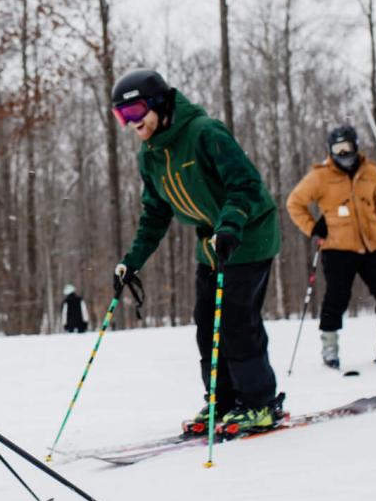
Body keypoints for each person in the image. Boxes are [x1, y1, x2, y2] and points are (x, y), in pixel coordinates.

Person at [109, 68, 284, 434]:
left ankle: (259, 403)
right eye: (122, 116)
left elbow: (247, 185)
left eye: (136, 112)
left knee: (237, 320)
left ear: (157, 102)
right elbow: (155, 215)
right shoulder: (150, 156)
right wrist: (132, 261)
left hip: (248, 235)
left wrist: (232, 223)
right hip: (210, 242)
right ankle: (222, 401)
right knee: (207, 324)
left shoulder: (205, 132)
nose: (131, 123)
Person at [285, 124, 376, 369]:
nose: (343, 153)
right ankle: (330, 348)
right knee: (337, 298)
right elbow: (294, 203)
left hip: (372, 244)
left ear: (356, 146)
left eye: (346, 147)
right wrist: (313, 228)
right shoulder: (320, 175)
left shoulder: (370, 170)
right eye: (337, 149)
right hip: (337, 246)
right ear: (330, 150)